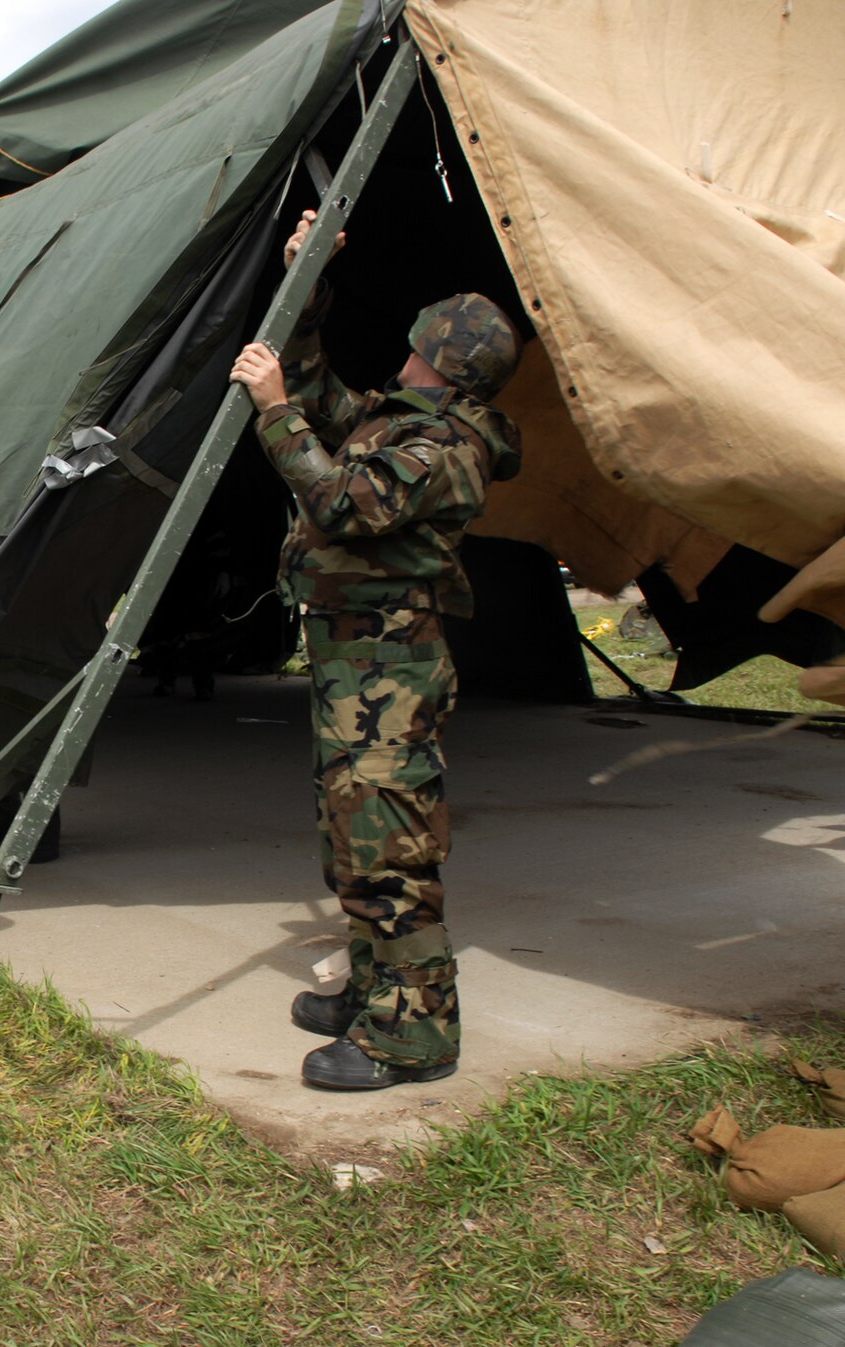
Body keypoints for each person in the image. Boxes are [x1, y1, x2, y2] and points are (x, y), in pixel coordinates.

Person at [229, 211, 523, 1092]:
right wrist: (307, 283)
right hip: (355, 670)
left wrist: (272, 413)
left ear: (441, 353)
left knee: (391, 848)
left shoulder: (446, 448)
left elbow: (341, 502)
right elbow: (326, 397)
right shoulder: (403, 418)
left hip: (391, 678)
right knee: (353, 838)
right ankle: (374, 988)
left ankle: (415, 1035)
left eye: (420, 342)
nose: (407, 349)